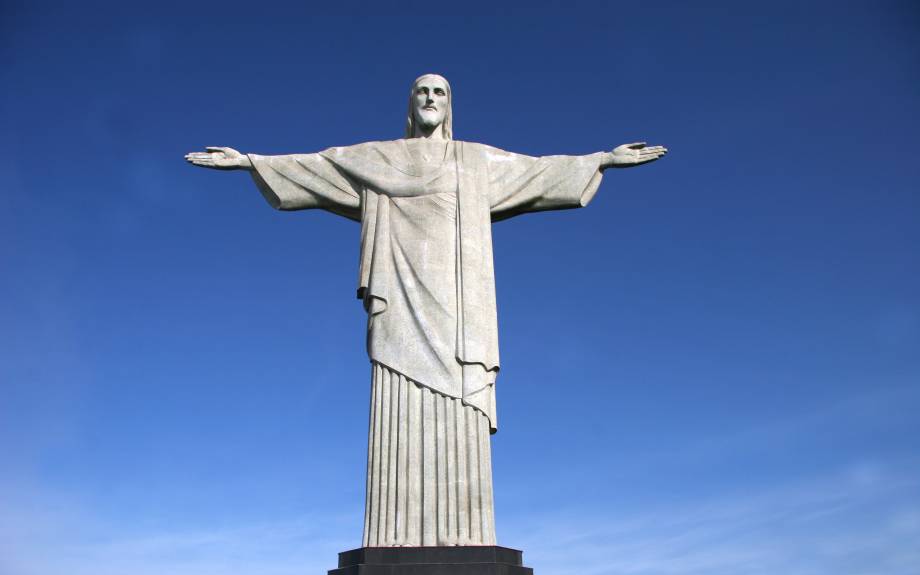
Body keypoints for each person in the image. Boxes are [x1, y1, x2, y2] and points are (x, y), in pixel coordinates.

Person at [185, 73, 667, 547]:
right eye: (422, 91)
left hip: (460, 305)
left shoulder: (475, 161)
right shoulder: (379, 159)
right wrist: (250, 162)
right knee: (397, 392)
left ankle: (467, 535)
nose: (431, 98)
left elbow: (538, 170)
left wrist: (601, 159)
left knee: (461, 397)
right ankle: (392, 535)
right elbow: (318, 166)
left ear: (450, 105)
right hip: (398, 298)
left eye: (440, 92)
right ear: (410, 103)